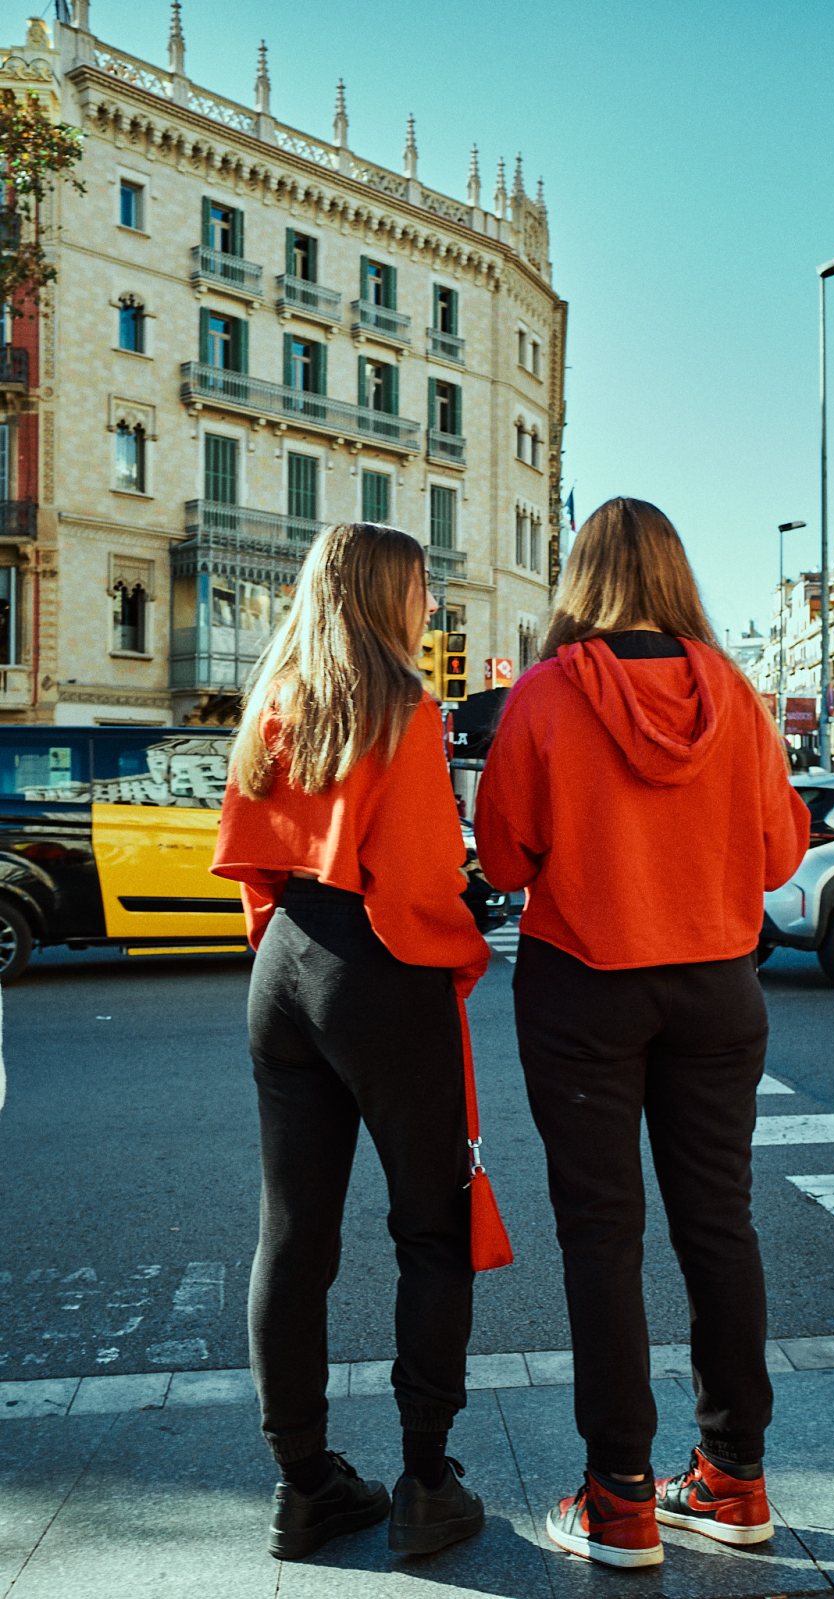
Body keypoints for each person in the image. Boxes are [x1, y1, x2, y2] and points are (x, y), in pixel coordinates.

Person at [474, 497, 810, 1570]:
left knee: (600, 1238)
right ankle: (734, 1477)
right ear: (676, 575)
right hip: (715, 987)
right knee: (721, 1226)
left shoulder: (543, 695)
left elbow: (507, 860)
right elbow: (776, 860)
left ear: (581, 577)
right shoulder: (737, 697)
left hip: (586, 989)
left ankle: (619, 1497)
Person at [212, 522, 490, 1562]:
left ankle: (304, 1484)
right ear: (383, 595)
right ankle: (427, 1483)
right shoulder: (403, 710)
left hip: (283, 964)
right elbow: (419, 886)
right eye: (422, 588)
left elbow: (248, 860)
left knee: (292, 1234)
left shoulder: (277, 702)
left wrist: (282, 962)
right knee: (430, 1231)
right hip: (378, 966)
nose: (431, 606)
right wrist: (458, 957)